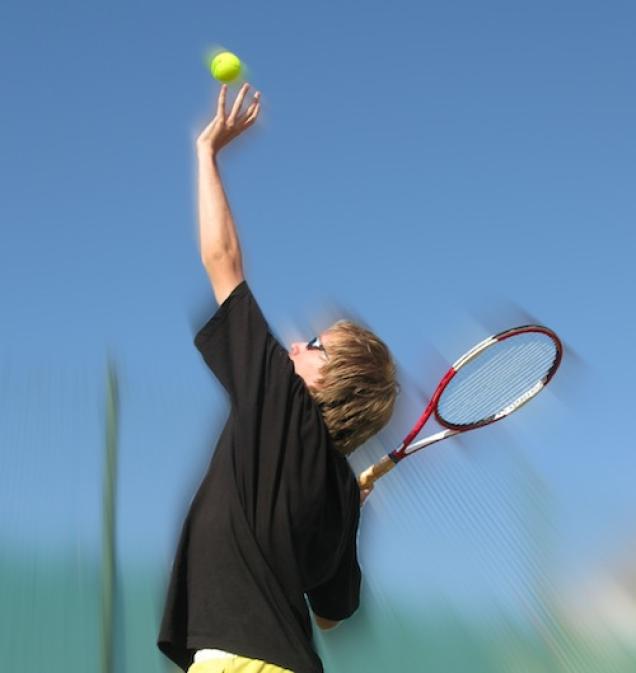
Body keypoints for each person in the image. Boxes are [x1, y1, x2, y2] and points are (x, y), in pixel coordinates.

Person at [157, 83, 398, 673]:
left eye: (315, 346)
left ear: (325, 383)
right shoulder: (339, 490)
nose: (295, 343)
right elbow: (331, 614)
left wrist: (206, 153)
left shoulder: (281, 402)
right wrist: (350, 512)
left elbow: (224, 263)